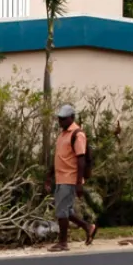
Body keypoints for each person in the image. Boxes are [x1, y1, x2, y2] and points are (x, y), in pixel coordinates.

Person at [51, 102, 96, 250]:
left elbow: (81, 159)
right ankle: (88, 227)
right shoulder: (63, 135)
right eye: (59, 118)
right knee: (65, 210)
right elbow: (59, 156)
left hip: (70, 178)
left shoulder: (78, 134)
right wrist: (49, 176)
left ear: (71, 118)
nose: (60, 121)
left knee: (62, 211)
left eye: (63, 119)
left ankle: (63, 242)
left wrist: (79, 183)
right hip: (60, 177)